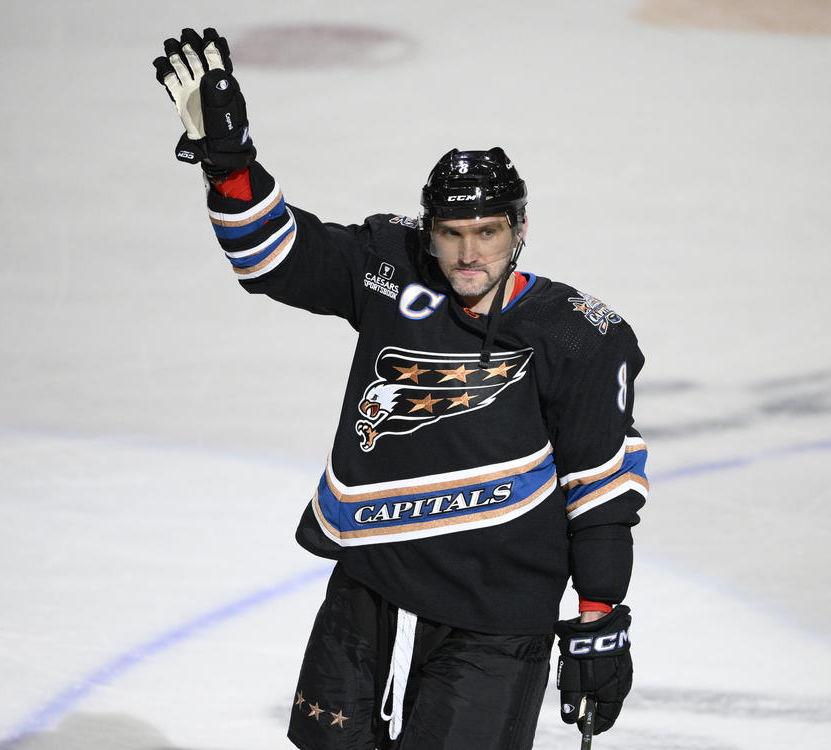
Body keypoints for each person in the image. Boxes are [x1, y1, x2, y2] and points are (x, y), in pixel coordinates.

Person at [154, 28, 649, 750]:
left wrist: (601, 618)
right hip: (372, 586)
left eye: (487, 231)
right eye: (452, 233)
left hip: (495, 610)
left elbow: (599, 490)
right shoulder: (392, 267)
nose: (469, 252)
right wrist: (232, 165)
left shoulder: (579, 334)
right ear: (430, 229)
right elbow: (276, 257)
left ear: (520, 229)